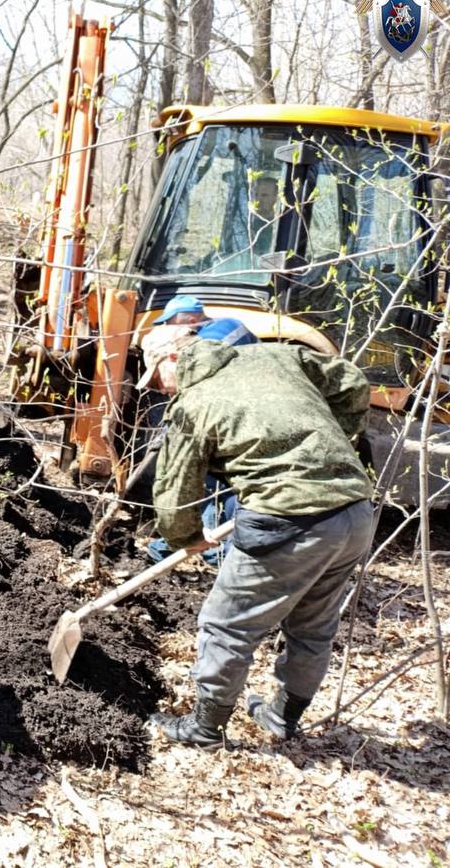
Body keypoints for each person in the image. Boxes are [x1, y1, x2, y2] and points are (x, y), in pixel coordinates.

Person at [137, 324, 374, 749]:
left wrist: (185, 537)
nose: (160, 388)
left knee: (226, 625)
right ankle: (282, 717)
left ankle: (205, 729)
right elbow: (353, 381)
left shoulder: (195, 402)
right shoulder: (277, 356)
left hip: (287, 518)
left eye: (156, 378)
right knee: (312, 626)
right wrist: (333, 439)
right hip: (354, 512)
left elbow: (173, 490)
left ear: (173, 358)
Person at [142, 294, 260, 565]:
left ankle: (214, 551)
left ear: (192, 319)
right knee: (216, 483)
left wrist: (180, 427)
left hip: (235, 424)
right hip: (237, 420)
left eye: (171, 323)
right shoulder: (217, 331)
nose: (169, 329)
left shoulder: (215, 335)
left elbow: (202, 382)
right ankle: (207, 545)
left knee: (214, 482)